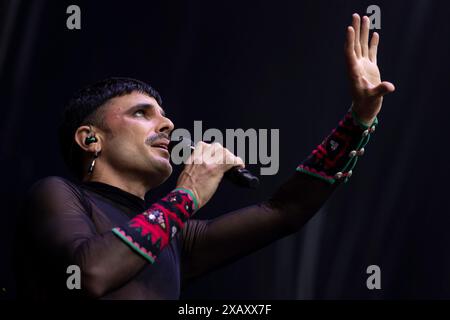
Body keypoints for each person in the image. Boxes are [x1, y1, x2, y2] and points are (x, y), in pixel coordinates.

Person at [14, 14, 395, 299]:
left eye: (165, 116)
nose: (167, 125)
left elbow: (285, 211)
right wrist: (187, 195)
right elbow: (89, 274)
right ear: (90, 139)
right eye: (142, 113)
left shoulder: (176, 239)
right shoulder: (58, 194)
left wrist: (359, 119)